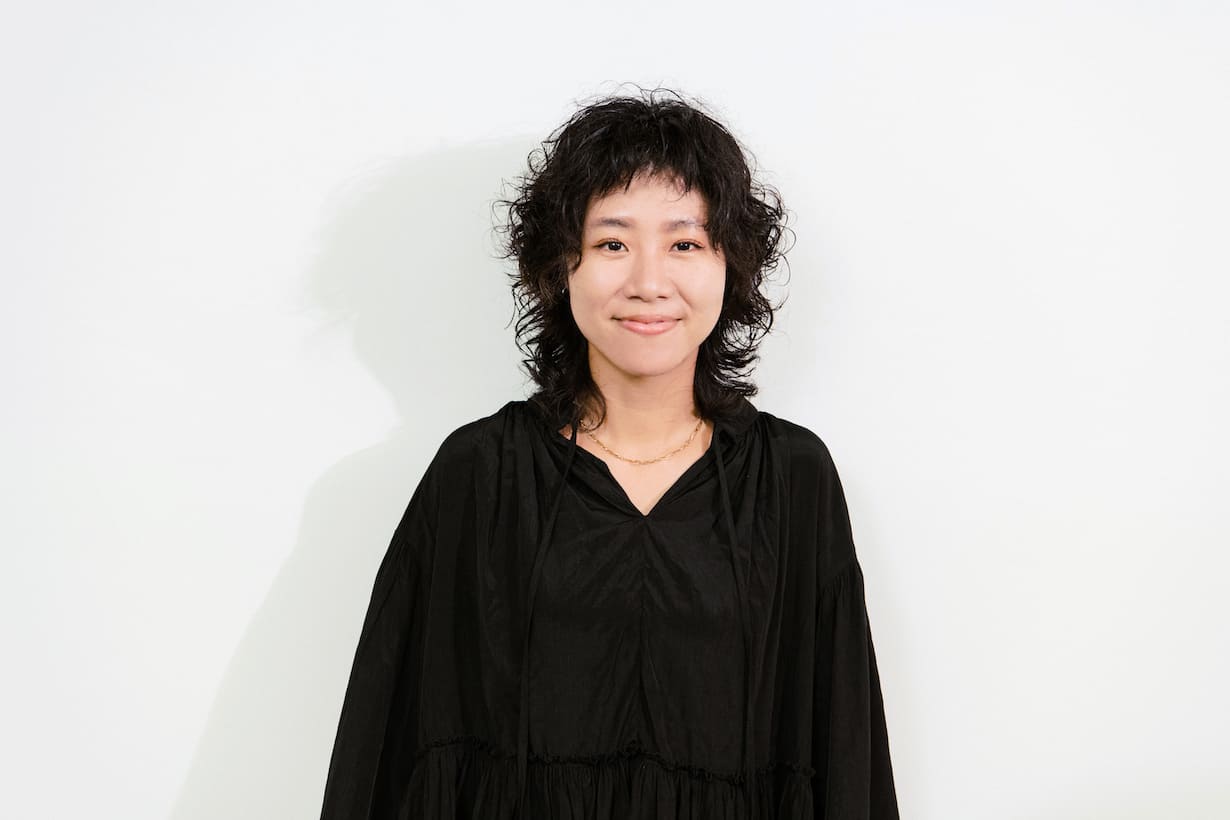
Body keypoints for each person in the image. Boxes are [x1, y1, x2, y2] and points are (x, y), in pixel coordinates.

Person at [318, 87, 900, 820]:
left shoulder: (792, 479)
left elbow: (842, 747)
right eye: (613, 244)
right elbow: (395, 744)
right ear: (562, 265)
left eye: (685, 243)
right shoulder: (480, 473)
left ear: (730, 265)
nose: (649, 283)